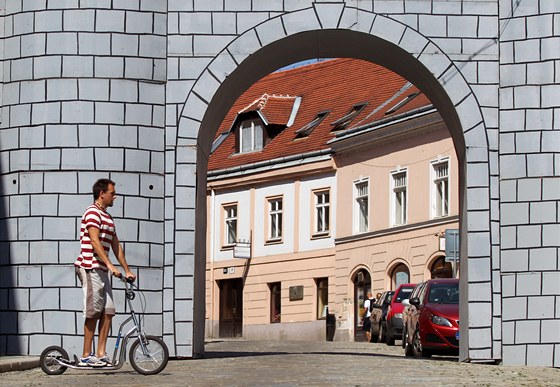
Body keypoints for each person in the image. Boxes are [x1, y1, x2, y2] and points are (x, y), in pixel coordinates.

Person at [74, 178, 136, 367]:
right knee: (93, 311)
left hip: (102, 269)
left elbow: (116, 245)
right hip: (90, 266)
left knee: (108, 311)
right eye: (112, 193)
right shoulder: (92, 212)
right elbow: (94, 241)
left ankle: (100, 353)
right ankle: (86, 355)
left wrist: (126, 269)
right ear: (102, 193)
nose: (114, 196)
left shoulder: (107, 217)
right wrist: (110, 265)